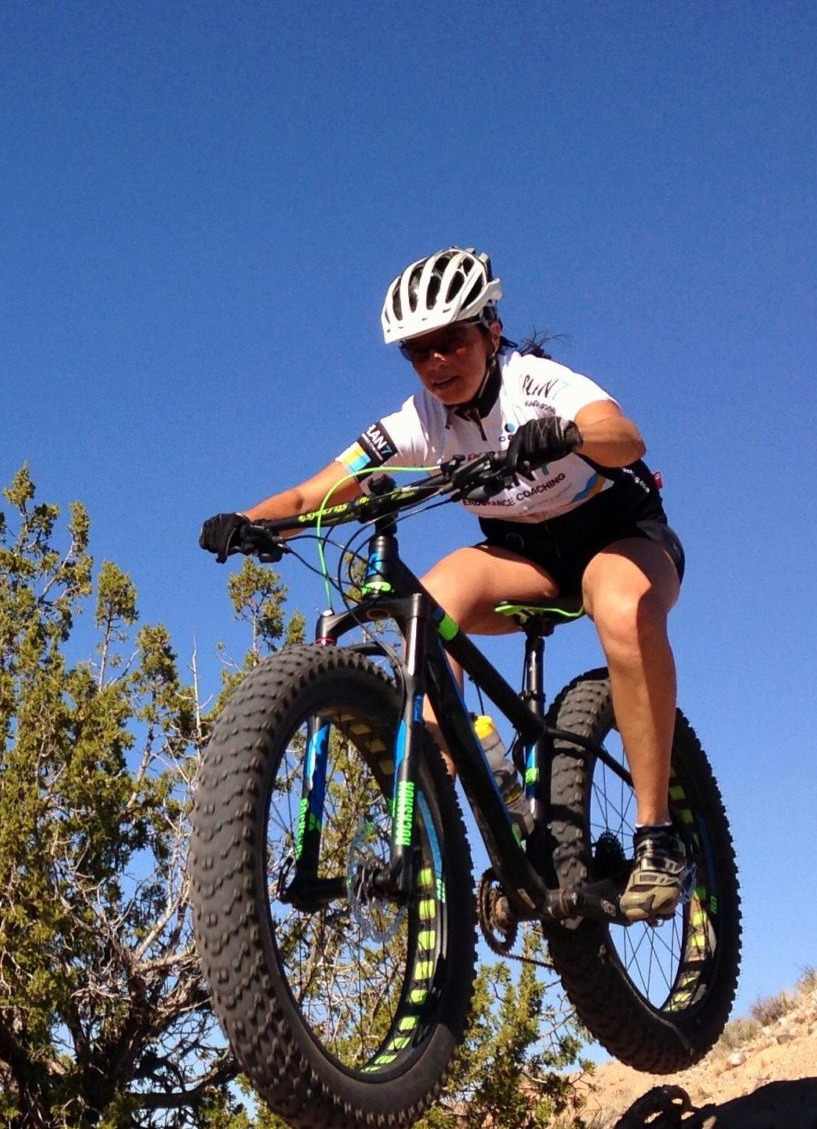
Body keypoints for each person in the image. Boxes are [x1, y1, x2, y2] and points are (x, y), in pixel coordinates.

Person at [199, 246, 691, 923]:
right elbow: (314, 492)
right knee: (425, 606)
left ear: (489, 331)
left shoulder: (535, 382)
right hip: (527, 557)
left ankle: (658, 837)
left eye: (450, 342)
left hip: (618, 535)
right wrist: (247, 523)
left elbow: (623, 435)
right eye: (418, 352)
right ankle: (446, 815)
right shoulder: (418, 422)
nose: (436, 364)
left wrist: (567, 434)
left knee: (617, 602)